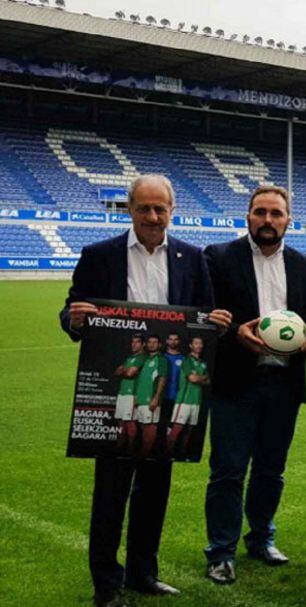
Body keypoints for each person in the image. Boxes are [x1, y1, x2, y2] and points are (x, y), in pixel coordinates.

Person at [60, 174, 230, 607]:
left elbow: (205, 317)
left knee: (155, 490)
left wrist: (217, 326)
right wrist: (74, 318)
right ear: (129, 208)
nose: (153, 217)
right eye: (144, 208)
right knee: (111, 493)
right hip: (118, 391)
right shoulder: (99, 256)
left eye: (161, 209)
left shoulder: (192, 258)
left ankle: (143, 573)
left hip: (168, 390)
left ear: (172, 210)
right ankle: (105, 583)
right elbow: (72, 312)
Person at [202, 184, 306, 585]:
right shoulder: (218, 257)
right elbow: (205, 314)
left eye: (276, 214)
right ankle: (221, 552)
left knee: (271, 470)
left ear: (288, 220)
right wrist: (233, 333)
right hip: (234, 381)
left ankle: (261, 538)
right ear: (248, 216)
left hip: (283, 382)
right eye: (260, 212)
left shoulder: (305, 264)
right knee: (228, 469)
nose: (268, 220)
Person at [166, 336, 209, 458]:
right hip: (184, 400)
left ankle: (182, 453)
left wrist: (199, 378)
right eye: (196, 343)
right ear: (191, 345)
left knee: (189, 429)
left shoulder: (202, 363)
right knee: (177, 428)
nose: (199, 346)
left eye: (200, 344)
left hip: (196, 401)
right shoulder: (186, 361)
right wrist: (201, 378)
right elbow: (192, 379)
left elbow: (208, 381)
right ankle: (168, 453)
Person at [132, 334, 168, 459]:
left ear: (159, 345)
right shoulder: (145, 359)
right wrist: (136, 396)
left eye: (155, 342)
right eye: (150, 342)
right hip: (141, 398)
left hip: (151, 400)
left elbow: (162, 379)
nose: (152, 344)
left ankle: (146, 455)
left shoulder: (162, 360)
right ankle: (142, 452)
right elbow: (141, 379)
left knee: (150, 427)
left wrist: (156, 398)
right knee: (142, 426)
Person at [113, 335, 146, 454]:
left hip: (132, 394)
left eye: (137, 342)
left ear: (143, 344)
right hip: (122, 393)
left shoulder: (142, 358)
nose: (134, 344)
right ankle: (119, 448)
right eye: (133, 342)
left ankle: (130, 450)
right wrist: (124, 372)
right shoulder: (130, 358)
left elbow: (129, 374)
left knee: (130, 422)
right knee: (121, 422)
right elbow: (117, 372)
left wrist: (125, 372)